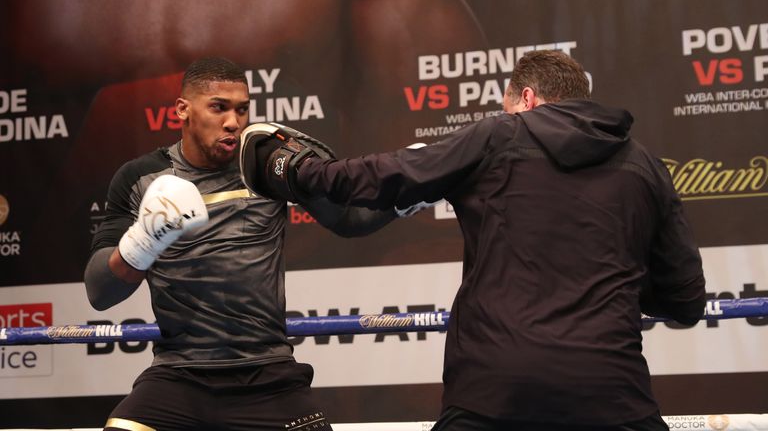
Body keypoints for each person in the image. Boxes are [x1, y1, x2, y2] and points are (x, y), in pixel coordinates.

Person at [243, 50, 707, 430]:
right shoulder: (644, 164)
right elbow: (685, 301)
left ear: (525, 98)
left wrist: (292, 168)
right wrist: (612, 284)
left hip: (496, 394)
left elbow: (382, 177)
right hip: (613, 394)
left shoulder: (500, 136)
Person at [84, 57, 396, 431]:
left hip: (268, 376)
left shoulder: (267, 167)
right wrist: (143, 241)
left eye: (242, 109)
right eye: (219, 108)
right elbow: (99, 292)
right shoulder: (140, 178)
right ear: (183, 110)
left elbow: (348, 219)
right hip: (178, 376)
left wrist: (410, 191)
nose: (233, 122)